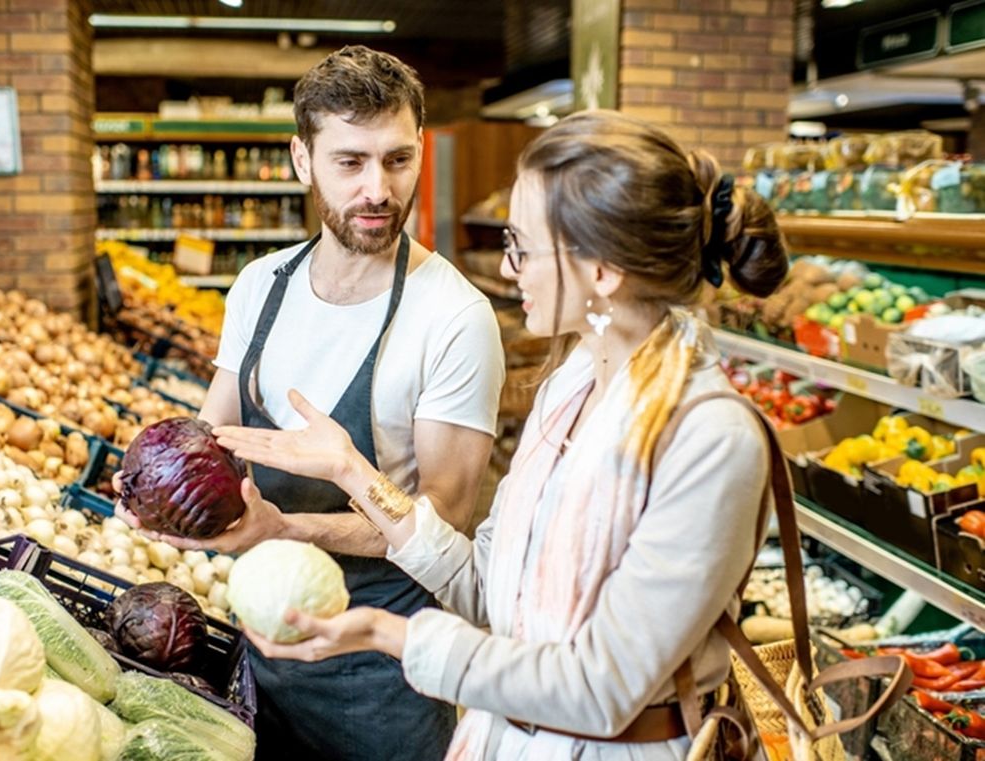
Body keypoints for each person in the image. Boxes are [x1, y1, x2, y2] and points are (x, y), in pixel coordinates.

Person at [213, 109, 790, 761]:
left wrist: (390, 633)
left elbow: (601, 687)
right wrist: (353, 472)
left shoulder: (709, 438)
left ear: (600, 268)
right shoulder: (570, 388)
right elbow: (488, 591)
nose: (509, 269)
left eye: (521, 246)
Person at [119, 46, 505, 760]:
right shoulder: (260, 286)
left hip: (384, 677)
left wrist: (284, 526)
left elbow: (443, 521)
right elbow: (216, 431)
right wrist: (156, 484)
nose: (377, 190)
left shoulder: (453, 316)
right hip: (260, 647)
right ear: (302, 160)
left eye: (396, 160)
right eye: (349, 162)